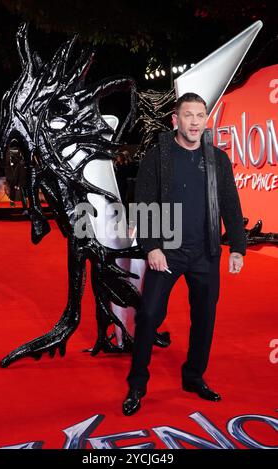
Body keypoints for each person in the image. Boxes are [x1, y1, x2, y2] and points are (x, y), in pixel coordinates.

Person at [122, 92, 246, 416]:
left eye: (200, 116)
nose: (194, 122)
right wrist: (152, 246)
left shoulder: (218, 159)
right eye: (188, 116)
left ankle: (194, 376)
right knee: (149, 315)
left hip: (205, 252)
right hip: (168, 251)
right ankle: (137, 383)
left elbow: (231, 205)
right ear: (176, 120)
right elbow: (144, 201)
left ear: (206, 120)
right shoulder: (158, 154)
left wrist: (237, 247)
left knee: (204, 318)